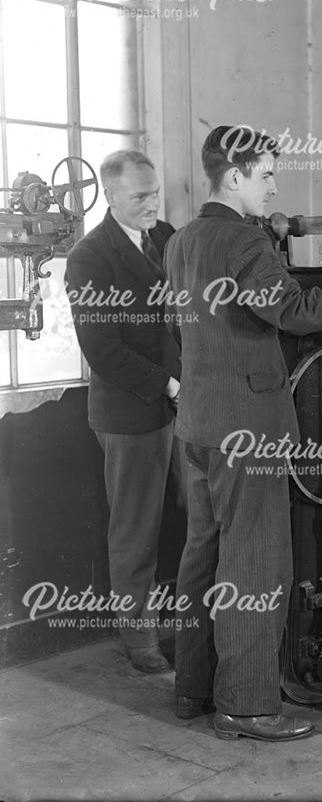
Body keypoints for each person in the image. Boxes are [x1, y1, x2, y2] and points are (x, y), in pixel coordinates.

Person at [165, 126, 322, 742]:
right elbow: (298, 314)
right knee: (256, 567)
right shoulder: (242, 243)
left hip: (197, 423)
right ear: (235, 177)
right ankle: (249, 706)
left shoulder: (183, 240)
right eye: (267, 175)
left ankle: (194, 690)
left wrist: (272, 243)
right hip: (246, 431)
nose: (275, 186)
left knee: (203, 557)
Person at [65, 150, 181, 674]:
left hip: (183, 401)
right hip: (130, 413)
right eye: (139, 196)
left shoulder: (167, 237)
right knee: (135, 529)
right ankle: (138, 639)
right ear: (109, 197)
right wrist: (172, 385)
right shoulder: (90, 258)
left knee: (189, 519)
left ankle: (189, 627)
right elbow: (104, 352)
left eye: (155, 192)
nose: (152, 203)